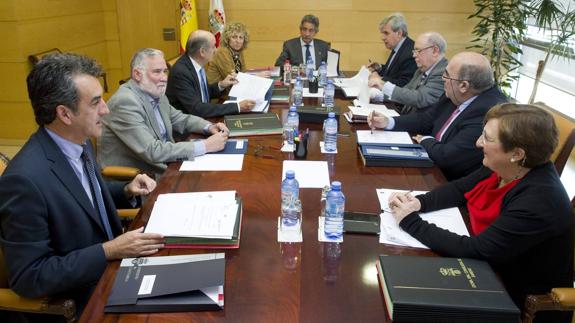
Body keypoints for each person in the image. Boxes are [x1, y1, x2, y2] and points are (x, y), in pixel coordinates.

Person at [0, 53, 165, 318]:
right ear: (64, 114)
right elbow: (29, 277)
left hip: (118, 271)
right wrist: (108, 250)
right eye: (96, 102)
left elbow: (81, 198)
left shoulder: (79, 140)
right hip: (85, 299)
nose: (106, 110)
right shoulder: (24, 181)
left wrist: (124, 189)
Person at [387, 103, 573, 323]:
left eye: (487, 138)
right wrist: (417, 202)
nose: (478, 143)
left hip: (511, 295)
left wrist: (410, 221)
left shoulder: (540, 200)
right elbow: (459, 188)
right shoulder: (506, 165)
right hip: (489, 269)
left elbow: (478, 250)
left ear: (517, 153)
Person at [368, 52, 508, 180]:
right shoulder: (457, 93)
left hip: (446, 179)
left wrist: (425, 140)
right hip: (430, 162)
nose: (442, 79)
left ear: (463, 86)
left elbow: (448, 157)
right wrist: (389, 122)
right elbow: (427, 119)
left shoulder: (488, 112)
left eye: (446, 75)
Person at [99, 48, 229, 178]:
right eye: (157, 72)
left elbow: (179, 118)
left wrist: (209, 126)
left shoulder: (154, 91)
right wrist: (205, 146)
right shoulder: (125, 102)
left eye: (165, 71)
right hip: (139, 179)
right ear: (137, 74)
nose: (164, 78)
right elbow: (152, 150)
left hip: (166, 165)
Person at [166, 30, 256, 118]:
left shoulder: (196, 64)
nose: (216, 50)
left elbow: (201, 93)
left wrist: (221, 85)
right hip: (188, 126)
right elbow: (197, 109)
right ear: (202, 52)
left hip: (202, 117)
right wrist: (238, 106)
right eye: (213, 47)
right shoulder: (181, 72)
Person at [368, 32, 448, 114]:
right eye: (414, 51)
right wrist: (378, 95)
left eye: (418, 50)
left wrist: (383, 85)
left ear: (435, 51)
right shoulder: (421, 70)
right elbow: (406, 91)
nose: (414, 55)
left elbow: (420, 98)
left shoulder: (444, 73)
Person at [206, 22, 271, 84]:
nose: (238, 41)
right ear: (227, 38)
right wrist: (256, 76)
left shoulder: (238, 52)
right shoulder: (222, 52)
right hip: (218, 93)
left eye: (241, 37)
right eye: (234, 37)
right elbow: (232, 78)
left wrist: (255, 75)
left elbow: (243, 73)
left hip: (232, 90)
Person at [367, 13, 417, 87]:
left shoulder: (410, 53)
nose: (382, 38)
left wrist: (380, 79)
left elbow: (404, 84)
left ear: (399, 33)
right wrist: (379, 68)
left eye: (386, 33)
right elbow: (393, 73)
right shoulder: (398, 46)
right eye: (382, 33)